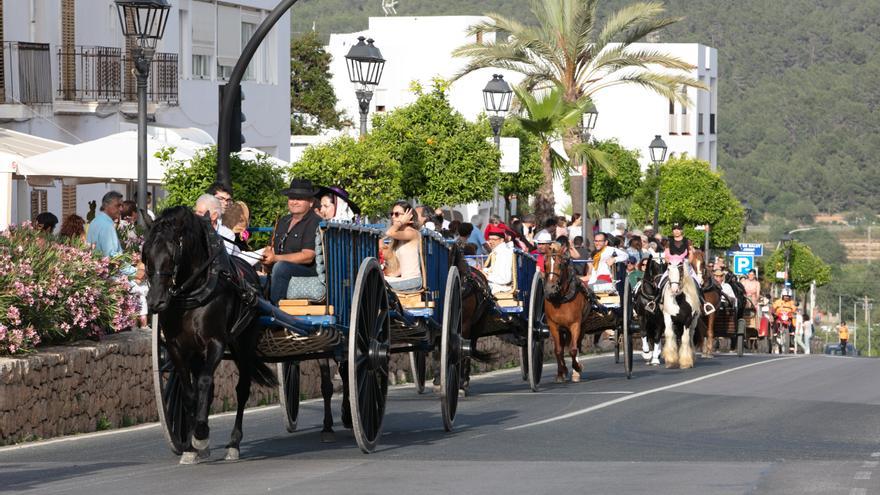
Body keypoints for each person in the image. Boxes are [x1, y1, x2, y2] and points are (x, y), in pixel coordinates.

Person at [263, 179, 323, 305]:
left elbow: (308, 256)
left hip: (308, 270)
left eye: (300, 198)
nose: (294, 202)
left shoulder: (315, 221)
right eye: (291, 198)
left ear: (311, 202)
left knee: (281, 267)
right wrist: (265, 258)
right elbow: (271, 248)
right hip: (280, 267)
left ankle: (275, 312)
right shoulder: (283, 221)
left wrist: (276, 259)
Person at [384, 201, 422, 291]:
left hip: (412, 281)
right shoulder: (400, 237)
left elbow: (389, 233)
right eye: (392, 214)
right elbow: (407, 264)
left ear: (408, 216)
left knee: (377, 282)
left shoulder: (411, 232)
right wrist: (393, 274)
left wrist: (400, 222)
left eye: (397, 214)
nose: (393, 216)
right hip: (405, 280)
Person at [87, 191, 125, 258]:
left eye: (122, 206)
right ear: (106, 205)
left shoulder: (95, 221)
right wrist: (134, 268)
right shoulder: (107, 225)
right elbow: (112, 257)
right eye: (118, 205)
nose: (121, 209)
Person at [483, 225, 514, 294]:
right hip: (493, 285)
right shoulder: (495, 252)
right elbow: (493, 269)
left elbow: (505, 279)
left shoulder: (505, 253)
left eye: (493, 239)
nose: (490, 242)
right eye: (489, 239)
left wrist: (486, 276)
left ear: (501, 240)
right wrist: (483, 271)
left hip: (500, 287)